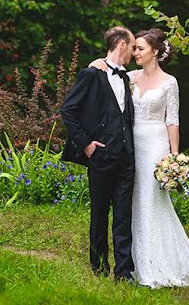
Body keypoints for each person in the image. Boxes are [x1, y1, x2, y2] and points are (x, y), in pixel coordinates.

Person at [90, 28, 189, 288]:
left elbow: (172, 120)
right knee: (129, 200)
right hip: (129, 145)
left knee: (151, 200)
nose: (135, 52)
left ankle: (157, 261)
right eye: (134, 48)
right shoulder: (128, 76)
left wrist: (174, 157)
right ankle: (129, 262)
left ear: (155, 52)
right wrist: (96, 63)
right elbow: (105, 76)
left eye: (140, 48)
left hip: (155, 146)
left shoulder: (169, 82)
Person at [60, 26, 136, 281]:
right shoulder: (91, 75)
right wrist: (86, 145)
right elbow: (68, 110)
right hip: (101, 156)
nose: (133, 52)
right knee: (100, 214)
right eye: (132, 46)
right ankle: (99, 268)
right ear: (122, 45)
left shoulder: (126, 77)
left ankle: (124, 272)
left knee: (124, 215)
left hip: (126, 156)